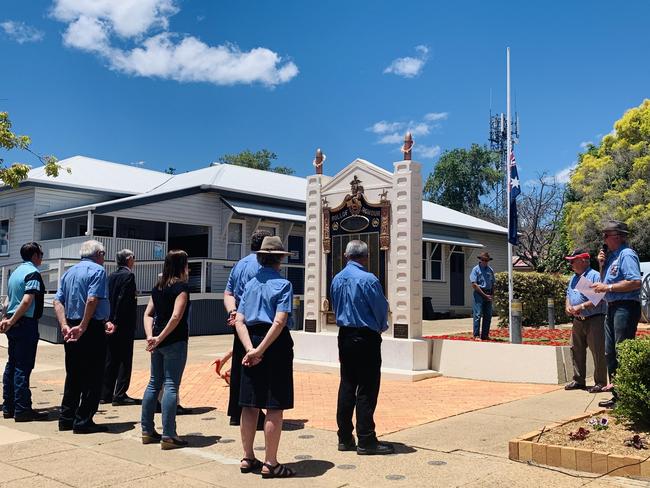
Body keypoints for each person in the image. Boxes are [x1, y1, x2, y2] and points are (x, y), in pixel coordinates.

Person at [235, 236, 295, 478]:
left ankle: (248, 456)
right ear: (279, 258)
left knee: (249, 404)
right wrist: (261, 351)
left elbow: (239, 319)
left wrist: (250, 348)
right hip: (274, 344)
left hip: (250, 338)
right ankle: (271, 462)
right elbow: (280, 321)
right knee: (273, 405)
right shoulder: (283, 285)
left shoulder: (249, 285)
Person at [331, 240, 393, 456]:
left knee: (347, 385)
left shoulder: (337, 279)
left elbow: (335, 305)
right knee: (367, 388)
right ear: (365, 257)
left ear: (347, 256)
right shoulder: (369, 280)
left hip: (345, 335)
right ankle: (366, 439)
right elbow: (380, 307)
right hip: (365, 336)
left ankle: (345, 437)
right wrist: (380, 327)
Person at [54, 240, 115, 434]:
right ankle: (83, 420)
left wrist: (64, 325)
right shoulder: (97, 271)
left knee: (73, 374)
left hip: (71, 326)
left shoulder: (68, 273)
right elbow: (92, 299)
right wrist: (83, 326)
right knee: (93, 375)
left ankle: (66, 417)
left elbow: (57, 301)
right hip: (89, 328)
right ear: (98, 254)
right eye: (103, 254)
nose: (104, 258)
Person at [141, 250, 190, 449]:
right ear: (182, 266)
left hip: (157, 342)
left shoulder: (158, 287)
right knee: (171, 385)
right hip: (174, 341)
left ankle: (147, 430)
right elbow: (177, 316)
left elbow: (147, 314)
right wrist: (160, 337)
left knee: (154, 383)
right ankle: (169, 434)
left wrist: (151, 337)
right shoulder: (181, 288)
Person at [223, 230, 271, 427]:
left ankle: (236, 412)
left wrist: (233, 313)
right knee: (255, 368)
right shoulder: (262, 265)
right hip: (255, 322)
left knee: (238, 367)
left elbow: (228, 293)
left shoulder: (239, 264)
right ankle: (254, 411)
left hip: (238, 320)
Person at [591, 220, 641, 408]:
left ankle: (626, 397)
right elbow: (604, 283)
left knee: (622, 349)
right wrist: (602, 264)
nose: (603, 239)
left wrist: (609, 287)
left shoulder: (626, 254)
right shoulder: (612, 257)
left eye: (607, 235)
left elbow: (635, 282)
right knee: (609, 351)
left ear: (618, 236)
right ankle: (617, 395)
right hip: (612, 306)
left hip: (625, 306)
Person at [1, 242, 48, 422]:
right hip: (25, 323)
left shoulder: (14, 273)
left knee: (12, 364)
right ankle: (22, 409)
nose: (42, 257)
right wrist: (12, 320)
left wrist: (6, 318)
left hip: (12, 322)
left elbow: (7, 300)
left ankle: (8, 406)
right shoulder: (32, 273)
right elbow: (28, 300)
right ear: (35, 255)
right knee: (23, 366)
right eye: (41, 254)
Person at [563, 249, 607, 393]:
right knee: (576, 350)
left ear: (583, 260)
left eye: (572, 260)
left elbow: (599, 299)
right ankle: (578, 380)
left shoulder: (594, 276)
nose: (570, 263)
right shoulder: (573, 278)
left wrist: (580, 306)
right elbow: (568, 295)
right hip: (577, 320)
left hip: (594, 319)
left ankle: (600, 382)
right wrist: (569, 306)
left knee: (597, 351)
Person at [101, 249, 138, 406]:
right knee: (124, 359)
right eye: (133, 258)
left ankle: (105, 394)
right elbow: (123, 300)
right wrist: (116, 321)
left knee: (111, 358)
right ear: (129, 259)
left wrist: (109, 320)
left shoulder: (111, 276)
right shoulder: (128, 276)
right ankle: (120, 394)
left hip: (110, 323)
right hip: (123, 324)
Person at [470, 251, 495, 341]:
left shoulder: (490, 270)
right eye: (483, 260)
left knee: (488, 315)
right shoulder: (475, 269)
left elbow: (493, 283)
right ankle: (476, 335)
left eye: (486, 260)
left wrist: (492, 294)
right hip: (479, 293)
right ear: (480, 260)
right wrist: (484, 295)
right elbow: (474, 284)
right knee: (477, 314)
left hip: (488, 294)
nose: (485, 261)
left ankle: (485, 335)